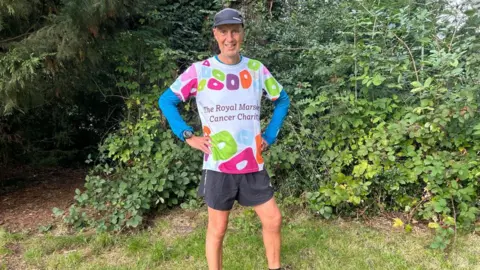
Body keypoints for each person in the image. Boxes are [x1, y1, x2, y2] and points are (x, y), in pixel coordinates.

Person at [159, 8, 290, 270]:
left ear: (242, 34)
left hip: (253, 162)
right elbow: (167, 100)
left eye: (235, 31)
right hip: (218, 164)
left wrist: (269, 135)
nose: (230, 37)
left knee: (273, 219)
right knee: (218, 229)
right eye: (224, 32)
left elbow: (282, 100)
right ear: (215, 34)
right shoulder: (200, 71)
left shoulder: (256, 69)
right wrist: (188, 136)